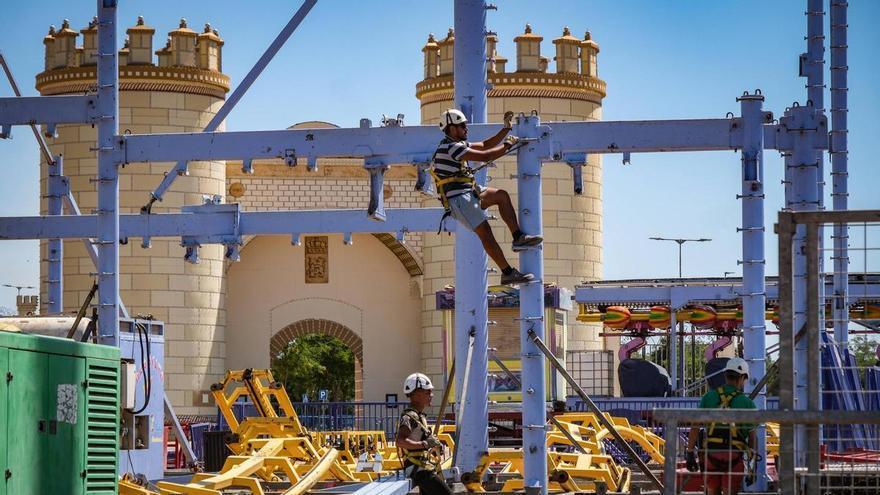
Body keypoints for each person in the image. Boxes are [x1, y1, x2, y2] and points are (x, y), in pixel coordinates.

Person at [432, 108, 543, 286]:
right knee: (486, 234)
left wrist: (505, 129)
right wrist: (507, 144)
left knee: (501, 196)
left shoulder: (456, 145)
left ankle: (518, 237)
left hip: (469, 193)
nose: (466, 129)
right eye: (462, 126)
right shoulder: (451, 147)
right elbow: (486, 156)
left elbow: (484, 145)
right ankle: (507, 273)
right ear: (452, 129)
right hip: (460, 200)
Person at [686, 357, 758, 495]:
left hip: (711, 455)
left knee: (712, 491)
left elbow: (695, 427)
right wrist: (752, 466)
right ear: (742, 377)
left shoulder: (708, 397)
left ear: (725, 375)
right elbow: (752, 437)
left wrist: (690, 453)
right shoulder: (747, 403)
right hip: (734, 457)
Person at [396, 372, 452, 495]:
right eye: (428, 392)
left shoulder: (418, 416)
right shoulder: (409, 417)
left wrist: (432, 445)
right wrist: (425, 443)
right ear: (416, 394)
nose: (431, 395)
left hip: (422, 468)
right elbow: (401, 441)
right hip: (418, 471)